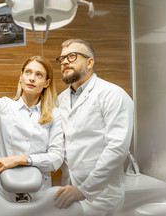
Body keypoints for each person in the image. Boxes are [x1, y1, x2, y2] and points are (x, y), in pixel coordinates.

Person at [0, 21, 64, 202]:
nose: (32, 78)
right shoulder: (4, 106)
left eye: (39, 74)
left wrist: (21, 159)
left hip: (37, 192)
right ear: (21, 77)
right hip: (1, 190)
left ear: (46, 83)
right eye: (28, 72)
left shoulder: (54, 115)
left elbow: (56, 158)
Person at [53, 39, 134, 216]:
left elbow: (117, 148)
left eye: (72, 56)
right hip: (68, 188)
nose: (65, 62)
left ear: (90, 62)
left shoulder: (112, 94)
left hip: (101, 195)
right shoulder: (61, 99)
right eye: (62, 58)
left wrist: (84, 189)